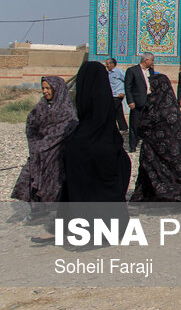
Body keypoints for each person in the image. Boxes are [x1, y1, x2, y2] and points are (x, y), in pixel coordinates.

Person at [31, 62, 132, 244]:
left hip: (97, 148)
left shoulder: (94, 97)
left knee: (92, 188)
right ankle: (63, 229)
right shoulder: (103, 95)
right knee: (75, 187)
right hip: (102, 145)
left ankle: (97, 233)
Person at [11, 77, 77, 217]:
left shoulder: (66, 110)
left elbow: (65, 130)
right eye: (43, 88)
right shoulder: (41, 106)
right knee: (29, 176)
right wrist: (38, 144)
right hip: (39, 151)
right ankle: (37, 210)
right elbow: (31, 125)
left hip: (56, 153)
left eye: (48, 88)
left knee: (53, 182)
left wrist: (48, 144)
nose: (45, 91)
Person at [131, 74, 181, 202]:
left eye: (153, 86)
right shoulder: (164, 104)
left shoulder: (161, 106)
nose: (151, 89)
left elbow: (147, 125)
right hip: (157, 149)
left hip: (161, 150)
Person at [124, 52, 155, 152]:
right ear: (146, 60)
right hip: (137, 102)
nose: (153, 62)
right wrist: (130, 101)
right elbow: (128, 87)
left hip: (149, 101)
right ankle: (133, 146)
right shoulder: (132, 71)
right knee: (134, 124)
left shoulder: (151, 70)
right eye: (152, 60)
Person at [105, 58, 127, 131]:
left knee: (110, 111)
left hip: (117, 96)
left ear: (112, 64)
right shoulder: (109, 73)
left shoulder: (119, 72)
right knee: (119, 113)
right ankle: (124, 128)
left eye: (108, 64)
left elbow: (127, 82)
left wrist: (123, 92)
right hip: (112, 95)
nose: (107, 65)